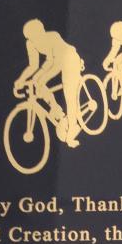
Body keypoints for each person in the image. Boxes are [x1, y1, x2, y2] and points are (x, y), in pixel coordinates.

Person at [14, 19, 83, 148]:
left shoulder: (53, 37)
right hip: (52, 61)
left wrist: (41, 79)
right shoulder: (31, 43)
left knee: (69, 95)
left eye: (35, 37)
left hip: (69, 59)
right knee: (37, 82)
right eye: (31, 38)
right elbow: (33, 66)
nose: (34, 41)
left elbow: (56, 64)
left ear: (42, 32)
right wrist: (21, 80)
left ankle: (73, 128)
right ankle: (57, 110)